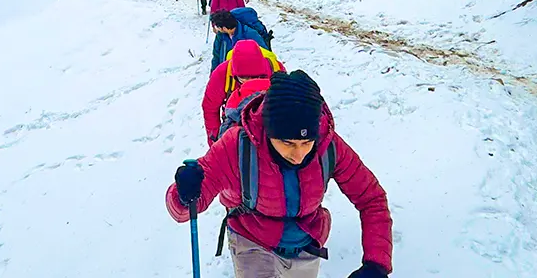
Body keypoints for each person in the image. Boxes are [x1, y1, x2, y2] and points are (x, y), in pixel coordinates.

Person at [168, 71, 393, 278]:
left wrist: (377, 264)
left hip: (305, 244)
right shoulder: (237, 145)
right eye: (287, 142)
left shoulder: (329, 145)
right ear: (268, 131)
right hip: (251, 240)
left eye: (306, 142)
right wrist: (184, 193)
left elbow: (371, 199)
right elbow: (185, 207)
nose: (298, 154)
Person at [202, 39, 284, 145]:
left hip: (269, 125)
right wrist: (216, 140)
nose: (249, 82)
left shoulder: (276, 70)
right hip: (235, 126)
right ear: (234, 74)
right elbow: (210, 107)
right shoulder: (222, 74)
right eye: (244, 77)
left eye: (256, 77)